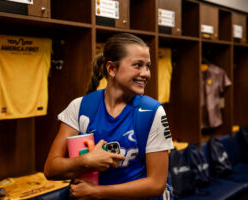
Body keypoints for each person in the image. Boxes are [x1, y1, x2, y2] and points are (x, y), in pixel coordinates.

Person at [44, 33, 174, 200]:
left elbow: (156, 184)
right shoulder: (79, 107)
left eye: (147, 66)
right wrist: (86, 160)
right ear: (111, 68)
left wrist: (96, 192)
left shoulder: (152, 111)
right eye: (138, 65)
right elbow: (51, 169)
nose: (146, 73)